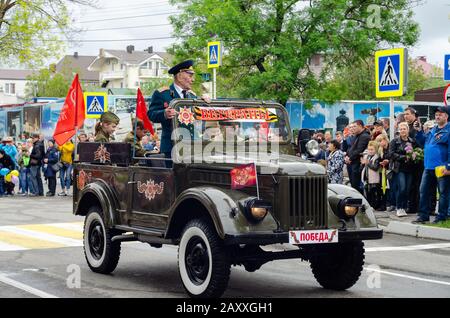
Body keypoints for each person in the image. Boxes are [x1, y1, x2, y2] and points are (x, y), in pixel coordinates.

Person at [147, 59, 198, 166]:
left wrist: (205, 101)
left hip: (191, 146)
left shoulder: (192, 96)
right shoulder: (162, 94)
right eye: (190, 76)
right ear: (179, 77)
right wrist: (164, 114)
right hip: (171, 146)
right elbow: (151, 114)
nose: (192, 80)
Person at [413, 107, 450, 224]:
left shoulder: (448, 131)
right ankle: (423, 216)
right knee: (423, 191)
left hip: (441, 168)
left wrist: (448, 167)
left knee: (443, 193)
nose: (437, 116)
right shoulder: (433, 129)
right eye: (436, 114)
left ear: (446, 116)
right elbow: (423, 143)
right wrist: (419, 132)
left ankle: (442, 217)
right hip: (428, 167)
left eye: (440, 114)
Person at [389, 122, 417, 217]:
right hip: (399, 168)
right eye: (400, 129)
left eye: (404, 129)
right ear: (398, 131)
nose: (402, 131)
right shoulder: (394, 141)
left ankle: (404, 207)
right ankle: (399, 207)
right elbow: (391, 154)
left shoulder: (412, 141)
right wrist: (403, 157)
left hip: (410, 168)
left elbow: (417, 151)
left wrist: (415, 155)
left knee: (407, 189)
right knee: (402, 187)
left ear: (407, 130)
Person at [345, 120, 371, 193]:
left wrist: (349, 158)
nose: (352, 128)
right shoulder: (356, 136)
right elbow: (350, 148)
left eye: (354, 126)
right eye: (351, 127)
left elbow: (359, 150)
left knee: (356, 187)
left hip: (357, 165)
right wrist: (346, 157)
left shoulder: (365, 136)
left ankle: (360, 203)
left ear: (360, 126)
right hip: (352, 163)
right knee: (353, 186)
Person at [361, 141, 381, 209]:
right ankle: (370, 205)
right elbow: (364, 167)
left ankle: (374, 205)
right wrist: (363, 163)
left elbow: (375, 168)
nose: (370, 151)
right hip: (367, 178)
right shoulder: (368, 157)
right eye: (369, 149)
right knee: (368, 193)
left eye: (372, 149)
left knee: (374, 193)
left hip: (374, 179)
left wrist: (367, 163)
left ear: (376, 149)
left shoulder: (377, 157)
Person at [376, 134, 392, 211]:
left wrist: (387, 161)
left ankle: (388, 203)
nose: (379, 143)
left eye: (380, 141)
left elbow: (391, 157)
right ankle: (383, 204)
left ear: (385, 140)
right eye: (378, 142)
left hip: (389, 170)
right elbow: (379, 159)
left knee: (388, 188)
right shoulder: (380, 150)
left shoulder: (390, 147)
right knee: (382, 188)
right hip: (382, 170)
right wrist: (380, 162)